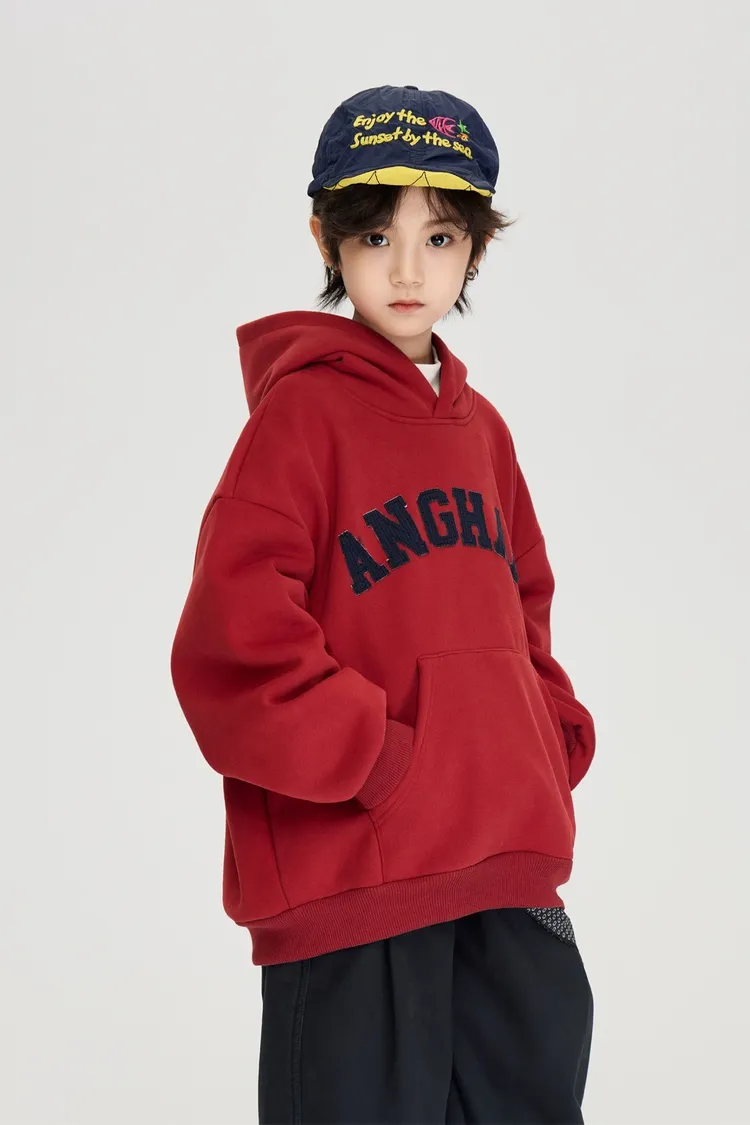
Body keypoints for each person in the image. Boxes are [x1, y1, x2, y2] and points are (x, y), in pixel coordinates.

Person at [170, 83, 597, 1124]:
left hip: (506, 865)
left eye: (439, 237)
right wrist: (378, 761)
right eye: (375, 236)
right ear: (326, 239)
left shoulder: (482, 430)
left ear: (475, 249)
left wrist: (544, 738)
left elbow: (524, 603)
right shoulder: (300, 419)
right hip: (355, 885)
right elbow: (231, 644)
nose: (408, 270)